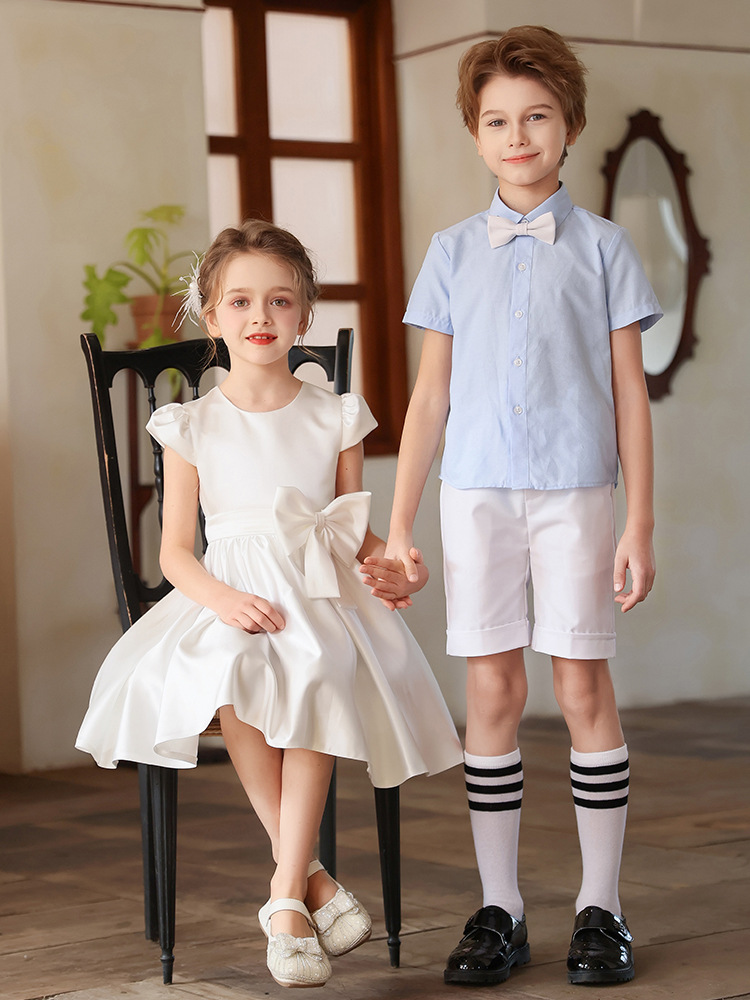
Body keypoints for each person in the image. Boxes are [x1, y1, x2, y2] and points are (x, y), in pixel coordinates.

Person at [76, 219, 463, 989]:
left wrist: (394, 573)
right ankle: (309, 880)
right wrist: (223, 599)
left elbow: (355, 539)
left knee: (319, 662)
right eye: (241, 301)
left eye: (280, 301)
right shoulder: (192, 424)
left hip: (319, 593)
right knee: (234, 669)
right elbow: (175, 552)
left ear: (304, 317)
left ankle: (286, 896)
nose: (261, 316)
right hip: (233, 592)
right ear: (212, 317)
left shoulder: (335, 415)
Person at [361, 25, 660, 988]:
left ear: (569, 125)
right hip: (476, 496)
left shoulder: (608, 248)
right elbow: (430, 400)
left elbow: (628, 396)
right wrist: (401, 524)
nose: (517, 134)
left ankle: (601, 910)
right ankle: (498, 910)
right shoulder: (451, 253)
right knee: (491, 691)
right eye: (496, 120)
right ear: (475, 134)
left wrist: (640, 522)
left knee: (582, 688)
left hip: (579, 494)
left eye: (536, 116)